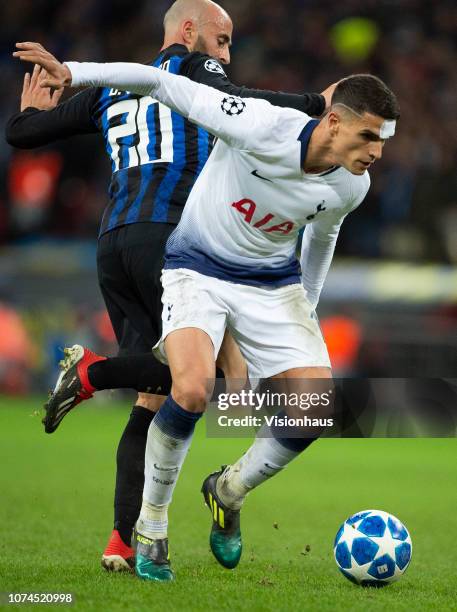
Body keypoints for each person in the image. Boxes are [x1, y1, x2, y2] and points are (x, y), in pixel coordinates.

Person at [13, 41, 399, 583]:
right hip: (197, 268)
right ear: (333, 122)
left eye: (382, 141)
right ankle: (152, 525)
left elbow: (321, 239)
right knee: (191, 388)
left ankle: (228, 489)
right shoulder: (260, 125)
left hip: (272, 286)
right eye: (368, 136)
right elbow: (162, 84)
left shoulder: (351, 184)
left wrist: (304, 313)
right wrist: (74, 72)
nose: (376, 152)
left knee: (314, 411)